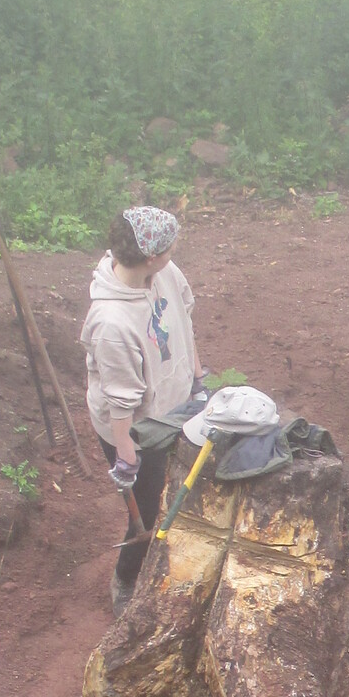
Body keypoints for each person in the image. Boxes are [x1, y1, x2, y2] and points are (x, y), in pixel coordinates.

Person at [81, 203, 205, 609]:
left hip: (172, 406)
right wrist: (126, 456)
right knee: (147, 510)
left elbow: (184, 320)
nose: (174, 252)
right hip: (136, 429)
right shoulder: (112, 323)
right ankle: (126, 579)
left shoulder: (165, 273)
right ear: (150, 256)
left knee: (181, 481)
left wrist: (196, 379)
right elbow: (121, 401)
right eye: (170, 248)